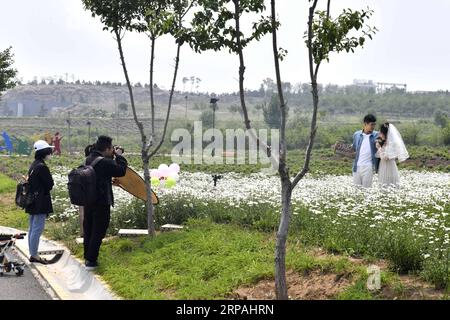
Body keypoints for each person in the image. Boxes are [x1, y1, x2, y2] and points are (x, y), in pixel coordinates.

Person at [83, 136, 127, 270]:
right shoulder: (104, 162)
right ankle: (91, 260)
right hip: (101, 202)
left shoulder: (89, 158)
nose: (113, 151)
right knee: (99, 230)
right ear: (107, 149)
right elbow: (121, 170)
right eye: (112, 149)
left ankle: (87, 257)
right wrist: (119, 155)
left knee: (89, 229)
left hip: (88, 201)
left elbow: (101, 176)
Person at [26, 140, 55, 264]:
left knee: (32, 228)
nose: (50, 154)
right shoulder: (42, 167)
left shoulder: (34, 165)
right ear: (44, 153)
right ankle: (34, 255)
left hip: (33, 200)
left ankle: (33, 253)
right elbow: (49, 184)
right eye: (49, 152)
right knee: (37, 228)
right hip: (40, 201)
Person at [375, 123, 409, 187]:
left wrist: (379, 148)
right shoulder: (383, 142)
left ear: (385, 133)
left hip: (389, 166)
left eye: (381, 132)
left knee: (389, 183)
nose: (380, 134)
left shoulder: (391, 143)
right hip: (382, 165)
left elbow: (385, 157)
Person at [351, 114, 379, 188]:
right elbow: (353, 148)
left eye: (374, 125)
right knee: (356, 190)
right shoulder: (356, 134)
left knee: (367, 190)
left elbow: (381, 145)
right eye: (371, 124)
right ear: (365, 124)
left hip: (368, 166)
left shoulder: (377, 135)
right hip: (357, 166)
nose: (373, 127)